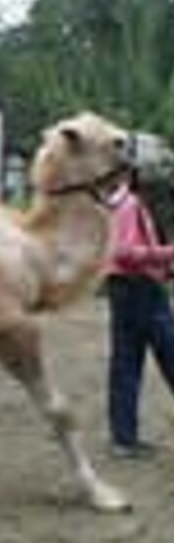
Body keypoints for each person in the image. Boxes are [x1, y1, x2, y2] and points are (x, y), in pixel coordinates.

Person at [106, 167, 174, 458]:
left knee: (126, 364)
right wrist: (167, 253)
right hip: (140, 289)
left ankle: (123, 439)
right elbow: (124, 252)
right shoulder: (131, 206)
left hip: (127, 288)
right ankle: (124, 438)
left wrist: (165, 267)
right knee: (168, 354)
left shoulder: (122, 204)